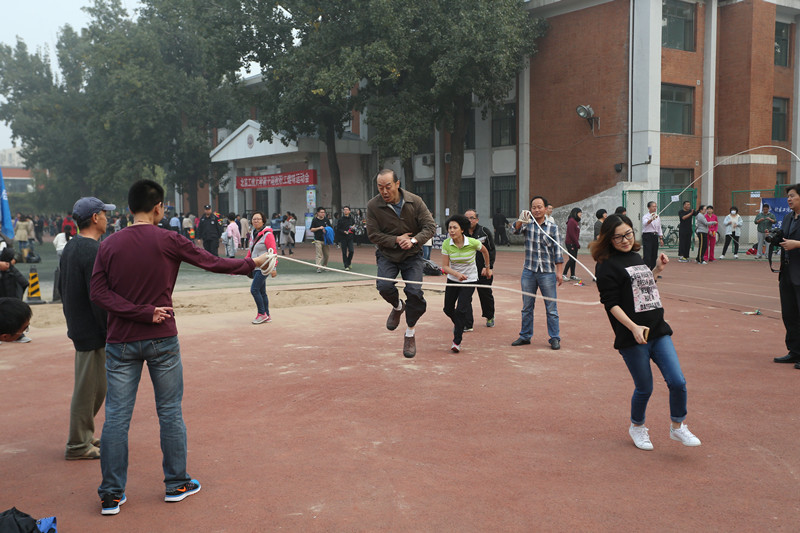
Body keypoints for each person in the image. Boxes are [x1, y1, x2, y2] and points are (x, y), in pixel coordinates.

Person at [90, 179, 272, 516]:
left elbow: (98, 295)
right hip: (161, 338)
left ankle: (111, 494)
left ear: (130, 208)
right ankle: (176, 483)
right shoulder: (169, 239)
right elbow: (211, 262)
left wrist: (136, 312)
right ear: (159, 207)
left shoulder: (109, 245)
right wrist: (251, 265)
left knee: (116, 418)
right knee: (170, 411)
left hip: (121, 341)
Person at [591, 214, 701, 451]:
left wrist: (657, 270)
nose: (624, 240)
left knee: (677, 381)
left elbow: (642, 288)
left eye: (628, 234)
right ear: (609, 239)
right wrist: (633, 327)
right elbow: (610, 304)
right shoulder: (605, 265)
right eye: (618, 236)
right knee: (645, 387)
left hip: (658, 329)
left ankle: (677, 427)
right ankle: (637, 427)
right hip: (632, 336)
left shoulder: (636, 256)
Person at [59, 197, 115, 461]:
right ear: (95, 218)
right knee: (89, 390)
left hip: (81, 325)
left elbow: (63, 289)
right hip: (92, 330)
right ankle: (78, 444)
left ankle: (83, 433)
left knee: (95, 387)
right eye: (105, 214)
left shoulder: (72, 247)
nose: (108, 218)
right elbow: (99, 296)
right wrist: (108, 328)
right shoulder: (91, 250)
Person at [366, 169, 436, 358]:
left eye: (388, 186)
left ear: (397, 184)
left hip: (412, 255)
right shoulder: (373, 206)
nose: (384, 191)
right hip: (387, 254)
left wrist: (413, 241)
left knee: (414, 293)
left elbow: (430, 227)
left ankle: (410, 333)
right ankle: (397, 306)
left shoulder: (415, 201)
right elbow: (372, 234)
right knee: (384, 286)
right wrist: (396, 240)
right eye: (380, 188)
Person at [511, 195, 563, 350]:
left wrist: (559, 272)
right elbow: (513, 230)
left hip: (547, 272)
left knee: (551, 308)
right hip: (529, 271)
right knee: (527, 306)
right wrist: (521, 220)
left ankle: (554, 338)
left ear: (546, 209)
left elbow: (558, 251)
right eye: (534, 207)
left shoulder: (553, 228)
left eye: (540, 207)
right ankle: (525, 336)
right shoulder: (528, 225)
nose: (537, 210)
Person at [440, 214, 492, 352]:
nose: (451, 230)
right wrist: (457, 274)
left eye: (454, 228)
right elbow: (445, 266)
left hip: (470, 279)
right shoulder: (447, 244)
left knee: (461, 309)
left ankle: (456, 341)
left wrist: (487, 268)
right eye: (449, 228)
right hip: (453, 279)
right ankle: (459, 323)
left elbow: (485, 251)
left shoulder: (472, 242)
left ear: (462, 229)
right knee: (447, 309)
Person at [773, 185, 800, 368]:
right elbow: (784, 239)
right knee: (789, 314)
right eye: (788, 196)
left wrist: (797, 243)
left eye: (792, 196)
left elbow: (793, 242)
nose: (789, 199)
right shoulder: (789, 217)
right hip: (787, 272)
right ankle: (794, 351)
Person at [464, 209, 496, 329]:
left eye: (472, 218)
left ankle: (490, 316)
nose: (469, 220)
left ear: (477, 219)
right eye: (467, 218)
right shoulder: (461, 233)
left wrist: (488, 267)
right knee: (465, 296)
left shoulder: (484, 232)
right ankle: (467, 323)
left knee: (485, 294)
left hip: (483, 270)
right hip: (467, 271)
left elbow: (491, 250)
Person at [248, 211, 277, 324]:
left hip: (264, 267)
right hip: (255, 266)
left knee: (254, 289)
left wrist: (274, 268)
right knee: (261, 291)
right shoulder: (253, 234)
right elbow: (251, 251)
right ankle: (267, 315)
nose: (256, 221)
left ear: (263, 221)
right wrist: (246, 263)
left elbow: (273, 251)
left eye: (258, 219)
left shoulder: (268, 234)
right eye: (254, 219)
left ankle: (261, 314)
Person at [641, 201, 663, 270]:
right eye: (653, 206)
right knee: (647, 255)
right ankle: (646, 270)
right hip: (647, 236)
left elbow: (659, 228)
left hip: (654, 236)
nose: (655, 208)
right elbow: (645, 223)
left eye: (655, 206)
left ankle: (653, 271)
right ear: (648, 207)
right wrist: (651, 219)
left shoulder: (657, 216)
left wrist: (661, 238)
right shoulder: (645, 216)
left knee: (654, 254)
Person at [563, 208, 582, 281]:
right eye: (579, 212)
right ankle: (564, 274)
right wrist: (577, 243)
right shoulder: (571, 221)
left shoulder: (575, 222)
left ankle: (572, 275)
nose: (580, 214)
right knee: (572, 259)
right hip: (570, 243)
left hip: (574, 243)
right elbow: (571, 234)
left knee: (574, 259)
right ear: (575, 213)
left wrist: (576, 243)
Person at [310, 207, 331, 273]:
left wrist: (327, 230)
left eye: (324, 212)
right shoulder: (315, 220)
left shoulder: (326, 220)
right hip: (318, 240)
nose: (323, 214)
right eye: (321, 212)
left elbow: (330, 228)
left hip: (326, 240)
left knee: (327, 254)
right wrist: (319, 228)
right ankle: (318, 267)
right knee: (319, 254)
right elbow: (311, 229)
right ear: (318, 213)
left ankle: (324, 266)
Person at [336, 206, 356, 270]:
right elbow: (338, 229)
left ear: (349, 211)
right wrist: (343, 231)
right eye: (344, 210)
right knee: (344, 252)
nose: (345, 211)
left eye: (347, 210)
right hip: (343, 238)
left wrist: (352, 229)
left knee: (351, 251)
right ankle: (346, 266)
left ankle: (349, 262)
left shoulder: (352, 219)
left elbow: (354, 228)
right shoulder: (340, 219)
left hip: (350, 237)